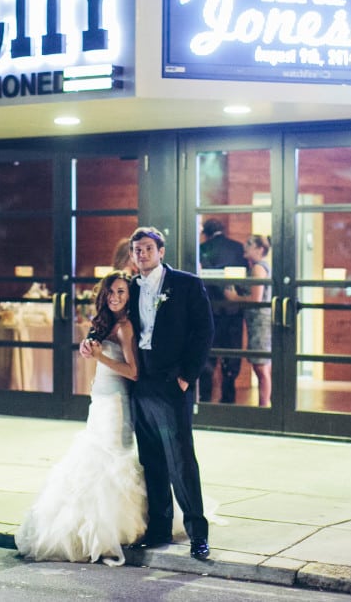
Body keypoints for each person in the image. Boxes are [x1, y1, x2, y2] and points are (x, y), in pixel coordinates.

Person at [83, 226, 213, 561]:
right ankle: (159, 528)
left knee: (181, 460)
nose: (141, 255)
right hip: (140, 383)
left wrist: (186, 377)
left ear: (161, 251)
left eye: (147, 249)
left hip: (171, 384)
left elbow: (204, 332)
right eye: (136, 250)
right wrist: (91, 339)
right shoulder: (131, 285)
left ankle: (199, 534)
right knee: (151, 459)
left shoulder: (186, 284)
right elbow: (111, 315)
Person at [15, 271, 146, 566]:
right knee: (91, 459)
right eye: (111, 292)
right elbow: (99, 355)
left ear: (129, 297)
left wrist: (100, 357)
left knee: (112, 461)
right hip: (99, 400)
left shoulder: (125, 327)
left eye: (121, 293)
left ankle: (116, 527)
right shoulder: (106, 323)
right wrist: (89, 348)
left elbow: (133, 372)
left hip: (116, 404)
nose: (114, 297)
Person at [198, 218, 247, 403]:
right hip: (233, 311)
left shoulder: (203, 249)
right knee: (231, 355)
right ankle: (228, 400)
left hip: (210, 311)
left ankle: (205, 399)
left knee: (208, 356)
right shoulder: (237, 248)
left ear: (206, 233)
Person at [224, 235, 272, 407]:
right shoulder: (258, 267)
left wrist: (234, 297)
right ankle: (264, 406)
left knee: (261, 367)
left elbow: (256, 298)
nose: (245, 246)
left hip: (260, 323)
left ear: (260, 249)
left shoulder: (259, 268)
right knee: (261, 365)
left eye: (250, 244)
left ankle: (264, 407)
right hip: (257, 323)